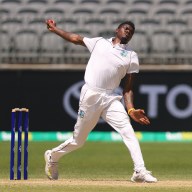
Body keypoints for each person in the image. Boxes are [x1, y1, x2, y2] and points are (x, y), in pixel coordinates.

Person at [44, 19, 157, 183]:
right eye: (126, 28)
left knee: (128, 131)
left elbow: (128, 88)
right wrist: (55, 29)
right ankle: (52, 156)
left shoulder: (132, 56)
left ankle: (139, 171)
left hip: (111, 97)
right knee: (78, 141)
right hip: (91, 94)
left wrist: (131, 110)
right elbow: (75, 38)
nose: (128, 31)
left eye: (131, 31)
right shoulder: (99, 43)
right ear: (116, 30)